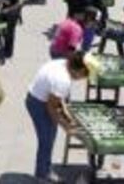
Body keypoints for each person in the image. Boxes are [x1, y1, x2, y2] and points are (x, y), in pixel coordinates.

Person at [25, 52, 90, 181]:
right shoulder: (62, 80)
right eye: (83, 75)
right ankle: (41, 176)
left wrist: (66, 116)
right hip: (38, 104)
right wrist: (66, 126)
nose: (82, 78)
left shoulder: (62, 63)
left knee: (50, 137)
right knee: (46, 141)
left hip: (37, 96)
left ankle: (45, 170)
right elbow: (51, 108)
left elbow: (58, 102)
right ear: (79, 70)